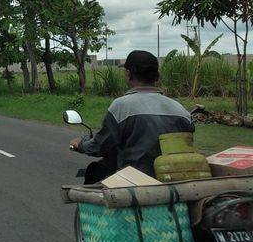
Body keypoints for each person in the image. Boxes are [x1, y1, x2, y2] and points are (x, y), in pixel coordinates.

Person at [69, 50, 194, 182]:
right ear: (156, 76)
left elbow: (100, 146)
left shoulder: (121, 106)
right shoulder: (180, 110)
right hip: (176, 179)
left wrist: (81, 144)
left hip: (134, 180)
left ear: (128, 74)